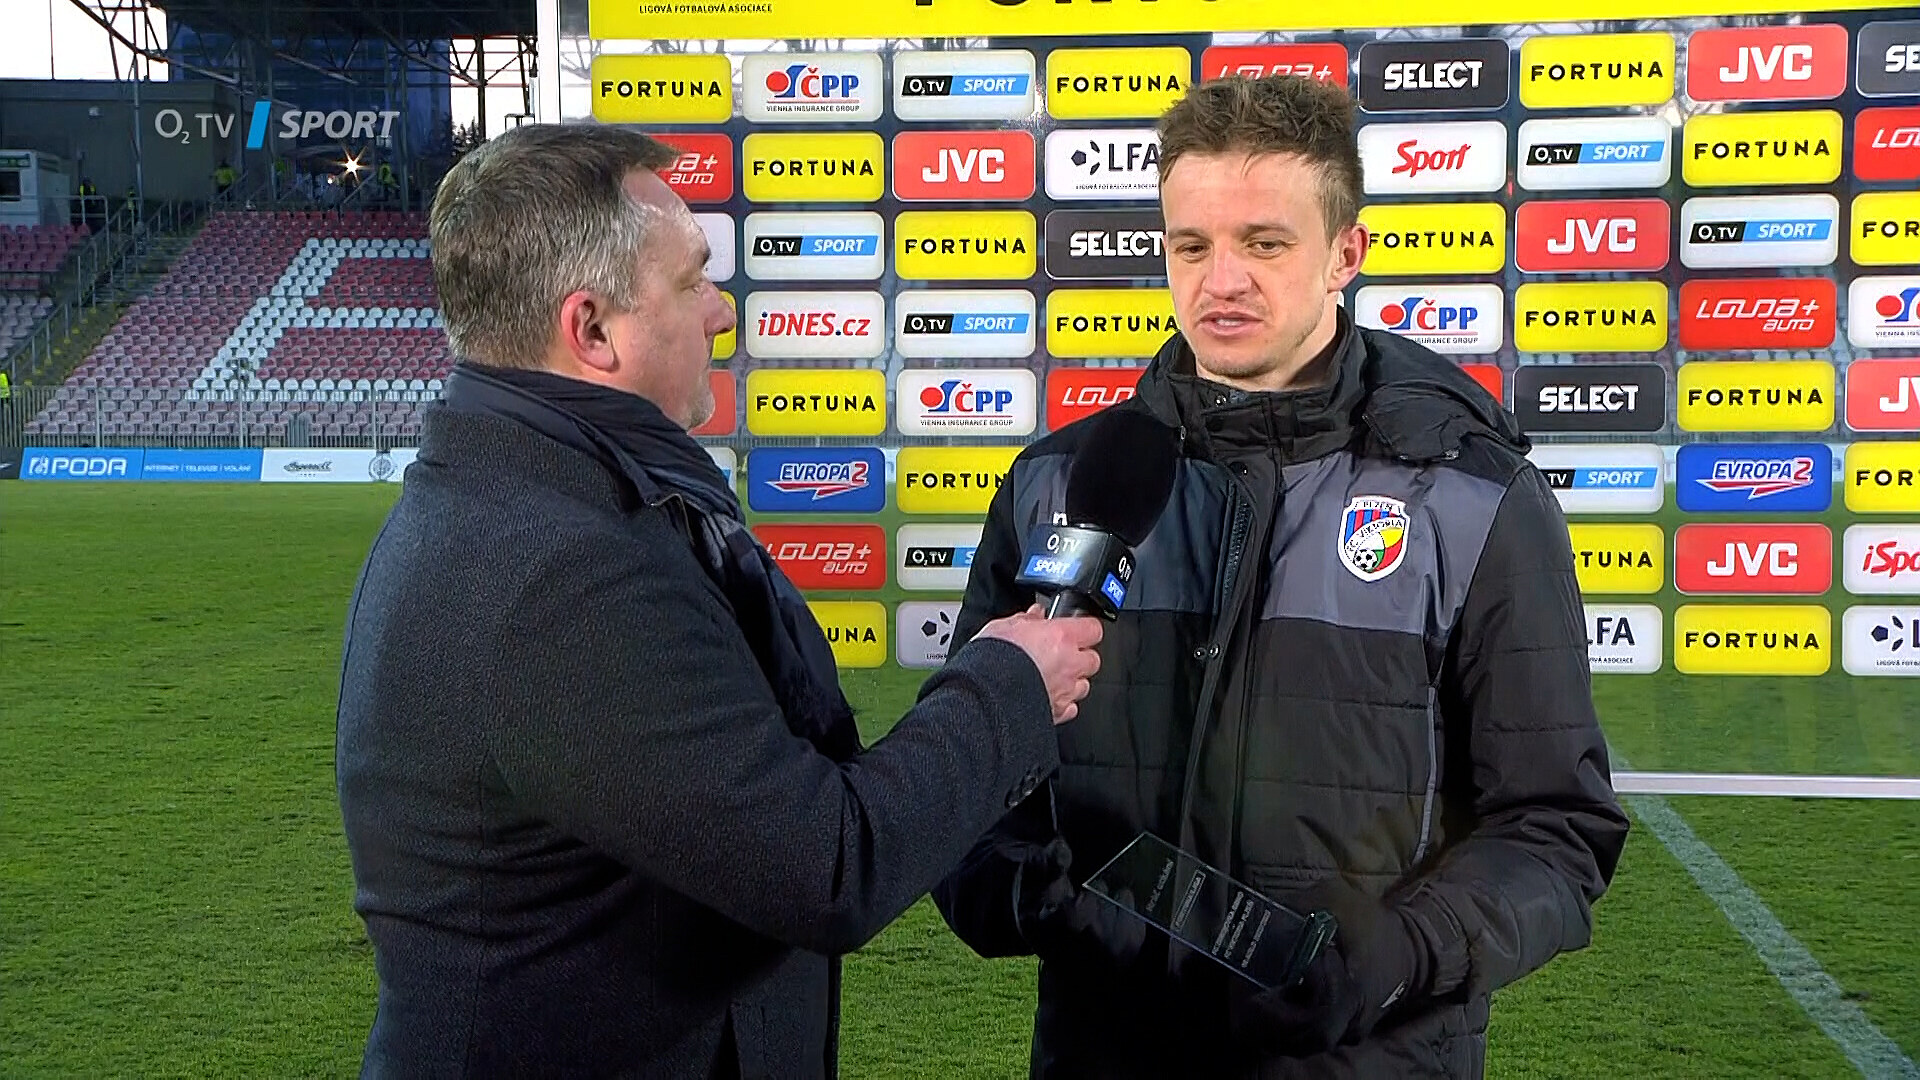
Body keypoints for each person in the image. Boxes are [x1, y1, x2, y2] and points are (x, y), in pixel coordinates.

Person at [334, 122, 1105, 1078]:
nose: (722, 311)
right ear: (592, 331)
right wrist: (1007, 684)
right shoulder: (558, 576)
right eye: (692, 279)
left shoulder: (547, 499)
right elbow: (825, 865)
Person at [932, 74, 1630, 1078]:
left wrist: (1391, 959)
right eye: (1192, 247)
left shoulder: (1474, 496)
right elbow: (966, 777)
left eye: (1264, 244)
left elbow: (1557, 827)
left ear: (1346, 252)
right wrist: (1035, 900)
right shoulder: (1059, 484)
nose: (1221, 282)